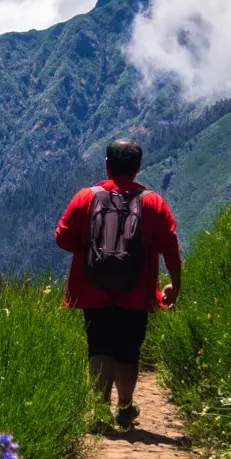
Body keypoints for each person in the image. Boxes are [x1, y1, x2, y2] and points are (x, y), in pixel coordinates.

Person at [53, 138, 182, 431]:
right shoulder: (153, 203)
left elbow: (62, 237)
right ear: (138, 168)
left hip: (92, 288)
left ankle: (100, 412)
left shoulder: (86, 197)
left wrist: (89, 249)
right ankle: (124, 408)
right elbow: (170, 247)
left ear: (107, 165)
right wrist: (175, 285)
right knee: (128, 349)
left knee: (98, 346)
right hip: (136, 291)